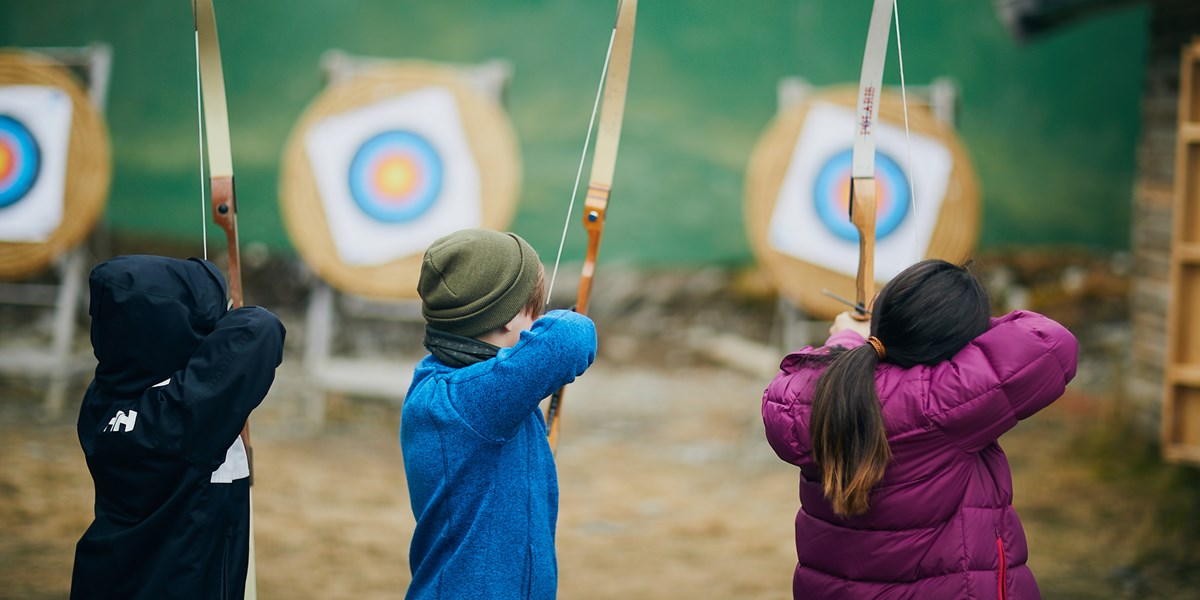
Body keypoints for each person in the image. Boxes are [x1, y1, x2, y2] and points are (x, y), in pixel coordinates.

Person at [762, 259, 1078, 599]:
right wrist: (960, 324)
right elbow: (1050, 340)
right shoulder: (939, 401)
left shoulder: (824, 391)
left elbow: (845, 367)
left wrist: (850, 337)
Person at [71, 255, 286, 600]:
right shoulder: (179, 417)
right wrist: (218, 314)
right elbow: (259, 328)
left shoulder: (104, 396)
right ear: (168, 329)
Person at [401, 229, 597, 599]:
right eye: (532, 313)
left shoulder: (444, 381)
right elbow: (572, 336)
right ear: (509, 317)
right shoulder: (469, 400)